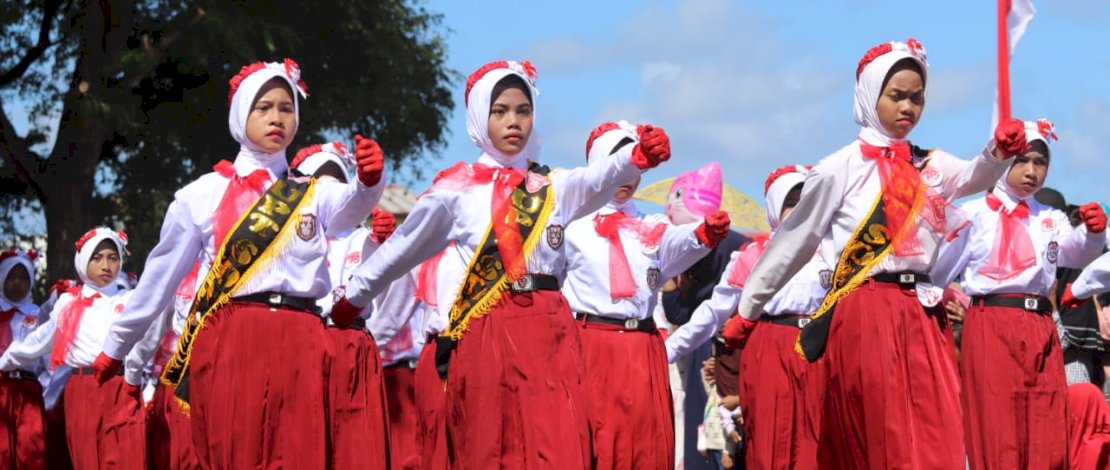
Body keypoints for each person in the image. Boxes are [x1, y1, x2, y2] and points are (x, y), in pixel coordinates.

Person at [335, 59, 672, 467]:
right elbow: (400, 250)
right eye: (500, 111)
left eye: (523, 110)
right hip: (487, 329)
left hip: (550, 331)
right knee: (495, 447)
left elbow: (595, 179)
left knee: (560, 446)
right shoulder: (455, 190)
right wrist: (355, 297)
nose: (514, 121)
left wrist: (635, 158)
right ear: (479, 117)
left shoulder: (552, 186)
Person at [733, 38, 1027, 468]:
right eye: (896, 96)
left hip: (922, 312)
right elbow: (794, 241)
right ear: (871, 95)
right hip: (864, 309)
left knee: (937, 426)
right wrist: (750, 305)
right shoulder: (838, 167)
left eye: (917, 97)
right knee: (878, 428)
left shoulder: (929, 164)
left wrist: (997, 153)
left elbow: (970, 178)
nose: (908, 107)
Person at [94, 59, 386, 469]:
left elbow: (350, 210)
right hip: (232, 339)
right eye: (262, 107)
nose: (276, 118)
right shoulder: (202, 195)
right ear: (239, 114)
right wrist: (117, 345)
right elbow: (157, 282)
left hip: (303, 338)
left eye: (286, 108)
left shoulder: (315, 192)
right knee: (235, 452)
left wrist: (369, 183)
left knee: (301, 454)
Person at [931, 119, 1107, 469]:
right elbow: (938, 272)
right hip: (991, 322)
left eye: (1039, 163)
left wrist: (1092, 233)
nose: (1031, 171)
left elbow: (1075, 252)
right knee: (997, 427)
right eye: (1022, 160)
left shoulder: (1050, 218)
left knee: (1045, 420)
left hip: (1040, 325)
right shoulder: (971, 215)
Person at [561, 121, 728, 468]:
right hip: (589, 345)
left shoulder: (651, 222)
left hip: (641, 346)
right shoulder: (572, 222)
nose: (627, 175)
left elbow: (675, 243)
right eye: (621, 163)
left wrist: (701, 235)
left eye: (636, 167)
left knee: (642, 446)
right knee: (591, 442)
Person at [0, 228, 144, 469]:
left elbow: (146, 339)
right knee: (87, 458)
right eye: (96, 258)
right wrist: (4, 362)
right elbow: (38, 342)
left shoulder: (129, 300)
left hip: (121, 386)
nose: (106, 265)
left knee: (126, 458)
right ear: (83, 260)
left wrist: (135, 377)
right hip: (83, 388)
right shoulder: (68, 303)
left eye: (113, 257)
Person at [293, 141, 391, 468]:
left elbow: (384, 288)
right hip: (305, 344)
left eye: (338, 182)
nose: (329, 191)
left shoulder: (361, 237)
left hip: (351, 346)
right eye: (321, 181)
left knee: (356, 447)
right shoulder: (291, 236)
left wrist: (385, 246)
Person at [659, 162, 748, 470]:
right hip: (735, 344)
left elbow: (677, 312)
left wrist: (674, 284)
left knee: (701, 419)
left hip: (698, 345)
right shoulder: (741, 244)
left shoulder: (686, 246)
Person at [0, 248, 45, 469]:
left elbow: (47, 359)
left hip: (28, 389)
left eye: (23, 277)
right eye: (11, 276)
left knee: (30, 449)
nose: (17, 283)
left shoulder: (38, 314)